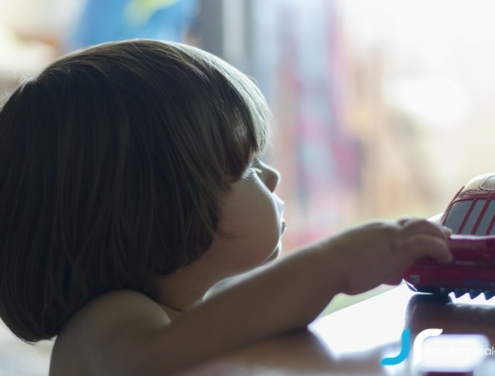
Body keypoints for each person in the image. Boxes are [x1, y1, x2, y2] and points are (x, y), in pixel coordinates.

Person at [0, 39, 452, 376]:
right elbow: (160, 359)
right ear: (157, 207)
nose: (271, 177)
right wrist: (333, 264)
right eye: (247, 168)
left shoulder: (183, 316)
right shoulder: (104, 323)